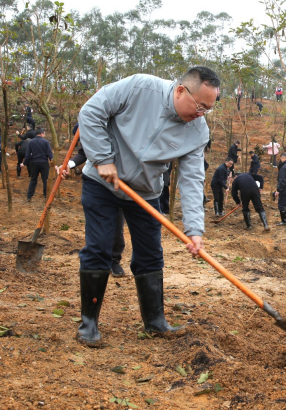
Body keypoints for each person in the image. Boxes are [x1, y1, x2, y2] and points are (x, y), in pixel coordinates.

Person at [75, 66, 219, 347]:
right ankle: (89, 322)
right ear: (180, 90)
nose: (201, 114)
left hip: (146, 192)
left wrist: (194, 230)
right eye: (200, 106)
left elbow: (191, 180)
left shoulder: (197, 131)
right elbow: (90, 113)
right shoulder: (139, 87)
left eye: (208, 110)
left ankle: (155, 321)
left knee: (151, 254)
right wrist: (102, 159)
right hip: (102, 183)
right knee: (100, 248)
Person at [56, 146, 129, 277]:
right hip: (97, 182)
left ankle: (114, 260)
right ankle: (96, 266)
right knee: (98, 229)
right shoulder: (94, 127)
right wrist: (69, 164)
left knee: (118, 226)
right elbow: (84, 152)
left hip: (123, 181)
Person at [21, 128, 53, 201]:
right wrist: (53, 162)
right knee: (45, 180)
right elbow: (50, 154)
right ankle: (46, 196)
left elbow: (28, 154)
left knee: (33, 179)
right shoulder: (45, 142)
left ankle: (29, 196)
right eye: (44, 134)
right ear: (42, 134)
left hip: (34, 163)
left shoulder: (31, 142)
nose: (44, 135)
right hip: (44, 163)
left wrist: (24, 163)